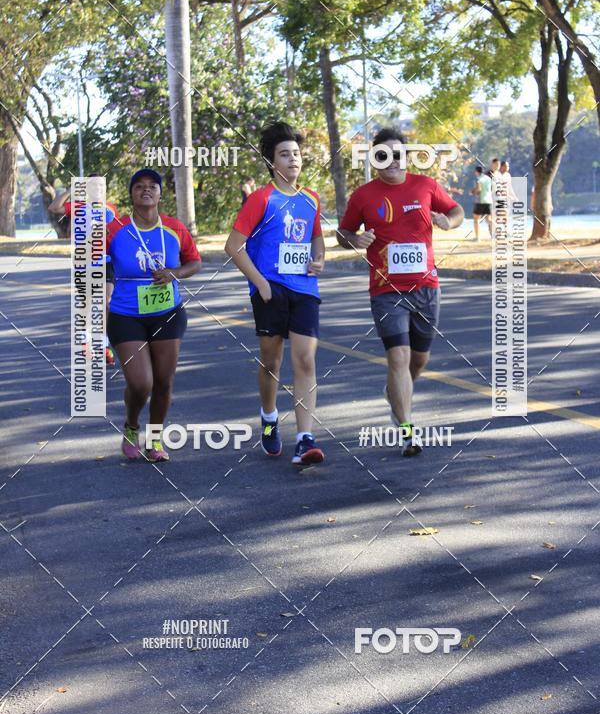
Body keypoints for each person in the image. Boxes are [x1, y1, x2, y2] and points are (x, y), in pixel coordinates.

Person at [337, 127, 464, 457]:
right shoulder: (363, 196)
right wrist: (354, 240)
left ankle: (396, 391)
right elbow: (343, 232)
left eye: (398, 154)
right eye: (383, 155)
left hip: (426, 286)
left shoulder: (426, 186)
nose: (391, 160)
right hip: (385, 289)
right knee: (398, 356)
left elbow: (457, 211)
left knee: (419, 360)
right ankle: (407, 429)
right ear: (374, 160)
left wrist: (447, 222)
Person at [224, 122, 326, 466]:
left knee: (306, 360)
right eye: (285, 154)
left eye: (296, 153)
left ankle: (304, 438)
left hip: (304, 289)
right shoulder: (261, 199)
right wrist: (261, 283)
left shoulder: (311, 198)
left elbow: (316, 236)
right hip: (270, 290)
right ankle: (269, 417)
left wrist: (320, 258)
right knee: (272, 362)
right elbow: (233, 246)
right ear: (272, 162)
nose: (293, 159)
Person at [106, 168, 201, 461]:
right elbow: (100, 263)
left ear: (160, 194)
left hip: (167, 313)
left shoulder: (174, 228)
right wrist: (105, 284)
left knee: (163, 382)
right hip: (125, 314)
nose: (146, 190)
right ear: (131, 194)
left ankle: (156, 439)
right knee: (140, 382)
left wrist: (175, 273)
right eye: (139, 187)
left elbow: (194, 262)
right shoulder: (115, 229)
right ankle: (132, 425)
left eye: (152, 186)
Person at [49, 174, 120, 365]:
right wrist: (73, 190)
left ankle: (104, 344)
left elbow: (117, 234)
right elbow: (54, 208)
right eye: (93, 186)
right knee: (87, 305)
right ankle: (85, 341)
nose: (98, 189)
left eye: (101, 186)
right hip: (84, 263)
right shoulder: (79, 207)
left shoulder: (111, 208)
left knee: (106, 300)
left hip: (105, 261)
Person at [470, 165, 493, 240]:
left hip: (481, 201)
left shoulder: (479, 179)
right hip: (489, 201)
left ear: (477, 172)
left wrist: (473, 192)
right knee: (488, 219)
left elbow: (479, 189)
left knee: (476, 219)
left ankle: (477, 237)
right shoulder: (488, 178)